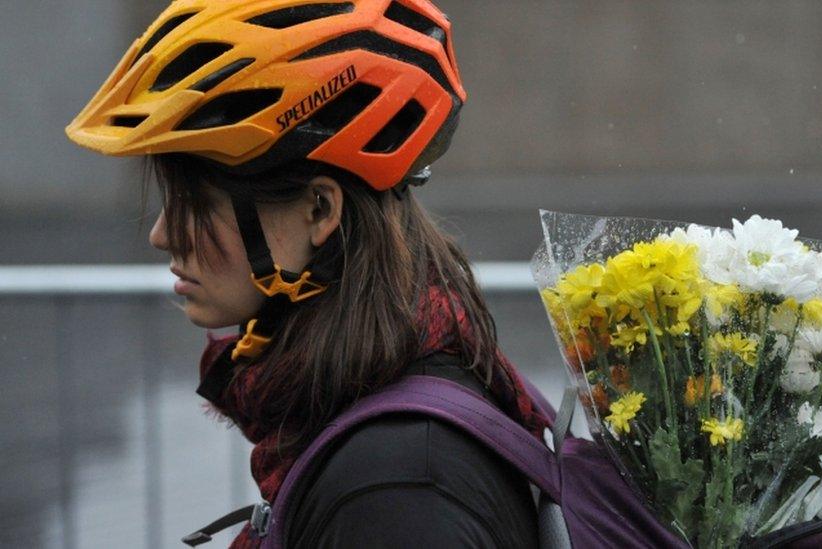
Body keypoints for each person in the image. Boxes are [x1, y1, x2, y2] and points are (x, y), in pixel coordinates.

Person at [66, 1, 548, 547]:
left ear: (319, 210)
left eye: (196, 203)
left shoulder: (398, 491)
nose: (163, 234)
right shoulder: (365, 417)